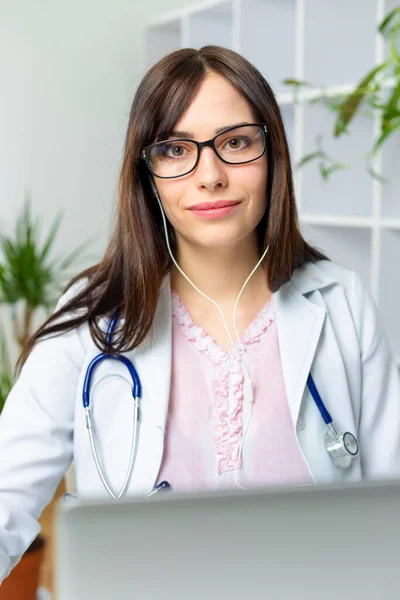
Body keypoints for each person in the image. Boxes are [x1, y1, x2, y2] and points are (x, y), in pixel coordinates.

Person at [0, 45, 399, 582]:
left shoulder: (341, 302)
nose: (209, 175)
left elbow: (391, 504)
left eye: (236, 142)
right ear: (147, 172)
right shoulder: (92, 316)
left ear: (271, 151)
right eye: (175, 149)